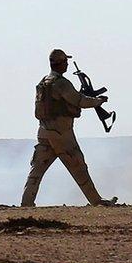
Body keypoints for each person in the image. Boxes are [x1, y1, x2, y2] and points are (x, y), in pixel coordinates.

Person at [22, 49, 116, 207]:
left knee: (36, 172)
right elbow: (79, 101)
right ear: (59, 63)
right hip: (61, 134)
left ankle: (26, 204)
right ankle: (97, 202)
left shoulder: (43, 82)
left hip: (45, 132)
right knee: (78, 166)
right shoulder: (61, 83)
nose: (67, 65)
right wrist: (98, 101)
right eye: (65, 62)